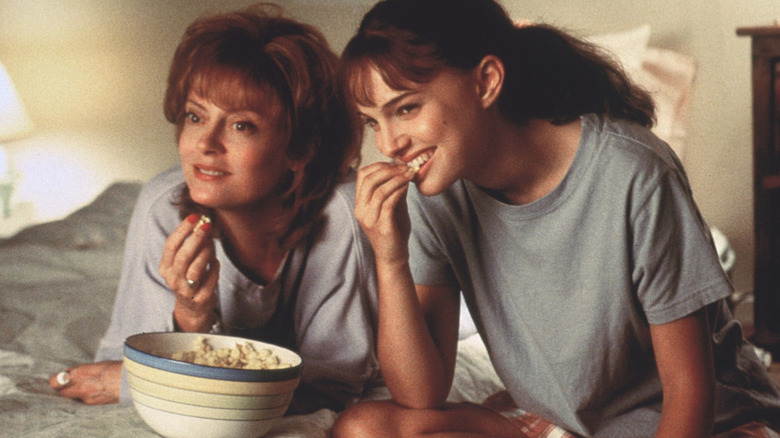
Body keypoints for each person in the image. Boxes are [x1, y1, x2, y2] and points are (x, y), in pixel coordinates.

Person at [332, 0, 780, 436]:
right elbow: (421, 393)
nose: (389, 144)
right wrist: (390, 259)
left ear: (486, 81)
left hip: (704, 423)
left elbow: (689, 395)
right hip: (563, 423)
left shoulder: (634, 173)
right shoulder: (439, 189)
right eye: (372, 122)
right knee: (363, 427)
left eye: (406, 109)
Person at [49, 4, 382, 414]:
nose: (205, 144)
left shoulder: (341, 215)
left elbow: (333, 387)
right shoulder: (164, 204)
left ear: (300, 148)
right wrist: (191, 319)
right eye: (194, 116)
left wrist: (160, 378)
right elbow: (134, 354)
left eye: (241, 125)